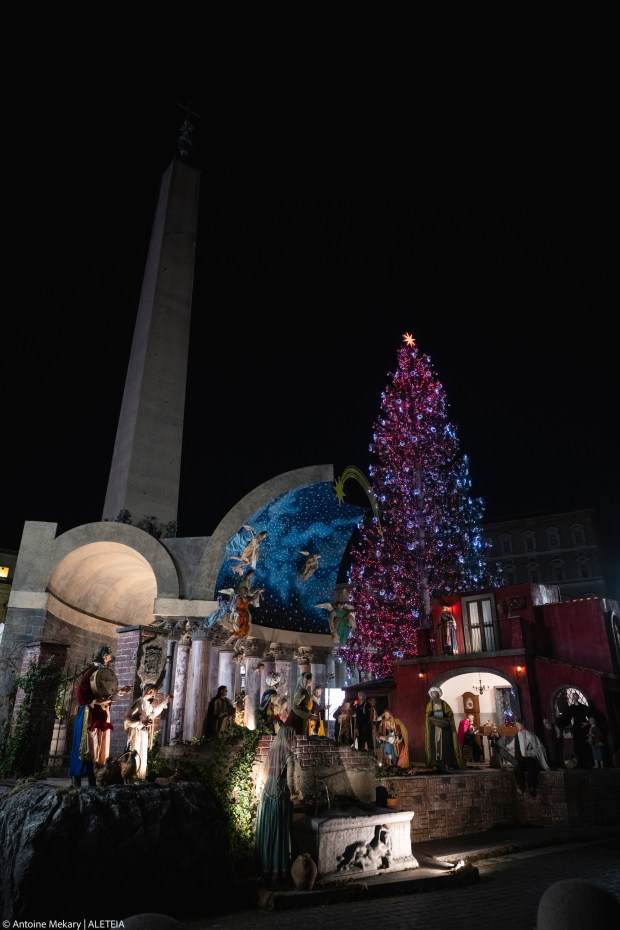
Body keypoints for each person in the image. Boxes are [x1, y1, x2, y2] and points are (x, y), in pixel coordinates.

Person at [69, 644, 132, 788]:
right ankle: (76, 779)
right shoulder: (92, 671)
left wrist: (119, 692)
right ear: (104, 656)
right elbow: (81, 695)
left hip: (101, 713)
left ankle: (95, 778)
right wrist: (95, 701)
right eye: (109, 654)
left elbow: (106, 695)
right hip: (90, 714)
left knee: (99, 748)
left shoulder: (102, 672)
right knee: (86, 747)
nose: (111, 656)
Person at [254, 725, 303, 886]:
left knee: (268, 830)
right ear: (288, 737)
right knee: (279, 832)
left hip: (268, 794)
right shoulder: (288, 754)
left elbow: (265, 773)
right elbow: (290, 780)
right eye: (292, 737)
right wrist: (297, 794)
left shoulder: (272, 751)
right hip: (281, 794)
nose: (293, 740)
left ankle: (265, 869)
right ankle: (278, 872)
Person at [124, 684, 172, 780]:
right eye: (153, 693)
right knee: (135, 755)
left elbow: (152, 713)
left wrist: (165, 702)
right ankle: (133, 777)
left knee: (142, 755)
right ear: (150, 691)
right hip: (137, 733)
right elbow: (127, 718)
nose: (154, 696)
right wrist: (140, 722)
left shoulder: (146, 703)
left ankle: (140, 778)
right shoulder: (138, 702)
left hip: (143, 733)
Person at [498, 718, 550, 797]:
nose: (517, 726)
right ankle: (521, 786)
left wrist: (530, 752)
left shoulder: (530, 735)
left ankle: (531, 787)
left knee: (532, 767)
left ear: (522, 724)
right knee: (517, 768)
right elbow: (511, 746)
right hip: (520, 759)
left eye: (518, 725)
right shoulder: (517, 736)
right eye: (516, 725)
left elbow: (539, 747)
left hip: (529, 758)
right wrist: (505, 748)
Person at [425, 686, 464, 771]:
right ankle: (435, 763)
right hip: (434, 728)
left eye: (435, 693)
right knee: (434, 745)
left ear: (438, 694)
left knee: (445, 745)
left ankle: (446, 762)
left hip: (444, 728)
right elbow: (428, 715)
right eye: (432, 693)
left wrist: (443, 717)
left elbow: (449, 713)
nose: (433, 695)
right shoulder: (429, 704)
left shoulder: (444, 704)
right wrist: (433, 717)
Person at [223, 569, 264, 647]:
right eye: (245, 591)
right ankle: (228, 641)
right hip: (239, 615)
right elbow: (234, 608)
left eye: (246, 591)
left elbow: (253, 597)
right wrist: (232, 616)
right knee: (239, 630)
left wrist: (258, 592)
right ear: (242, 591)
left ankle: (236, 645)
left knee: (244, 631)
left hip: (245, 615)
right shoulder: (239, 599)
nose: (246, 592)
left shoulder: (247, 598)